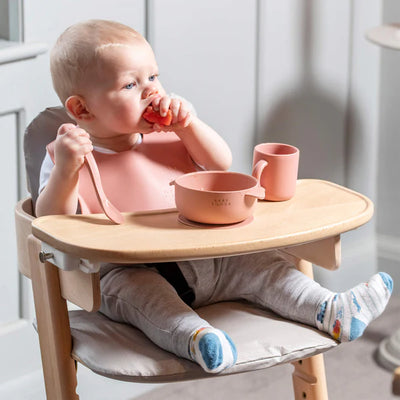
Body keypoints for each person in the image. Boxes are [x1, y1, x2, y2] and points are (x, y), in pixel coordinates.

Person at [35, 19, 393, 374]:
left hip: (209, 258)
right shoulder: (68, 156)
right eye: (130, 84)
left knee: (265, 266)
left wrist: (189, 125)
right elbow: (51, 223)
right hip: (127, 272)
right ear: (82, 110)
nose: (150, 91)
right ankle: (197, 338)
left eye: (153, 77)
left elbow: (220, 163)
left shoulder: (170, 135)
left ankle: (331, 310)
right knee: (140, 296)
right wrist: (67, 170)